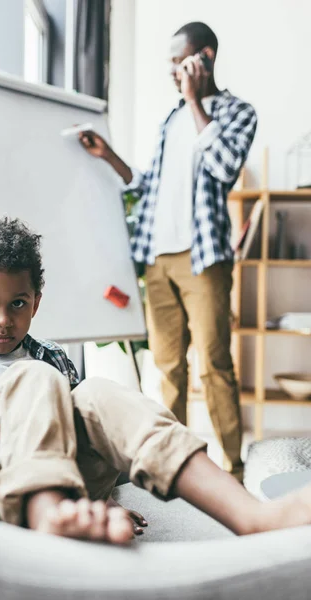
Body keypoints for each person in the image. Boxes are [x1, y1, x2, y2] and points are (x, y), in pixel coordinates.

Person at [0, 213, 311, 546]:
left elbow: (91, 447)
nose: (4, 319)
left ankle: (251, 516)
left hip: (60, 491)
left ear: (35, 301)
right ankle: (47, 513)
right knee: (31, 376)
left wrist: (99, 499)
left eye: (17, 303)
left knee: (95, 391)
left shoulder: (52, 357)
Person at [79, 22, 258, 482]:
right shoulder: (171, 120)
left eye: (179, 62)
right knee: (168, 368)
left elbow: (222, 167)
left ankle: (234, 469)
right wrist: (109, 156)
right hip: (157, 261)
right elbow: (148, 186)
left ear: (205, 58)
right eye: (169, 65)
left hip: (203, 259)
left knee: (216, 364)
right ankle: (178, 468)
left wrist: (196, 101)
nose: (172, 73)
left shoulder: (237, 112)